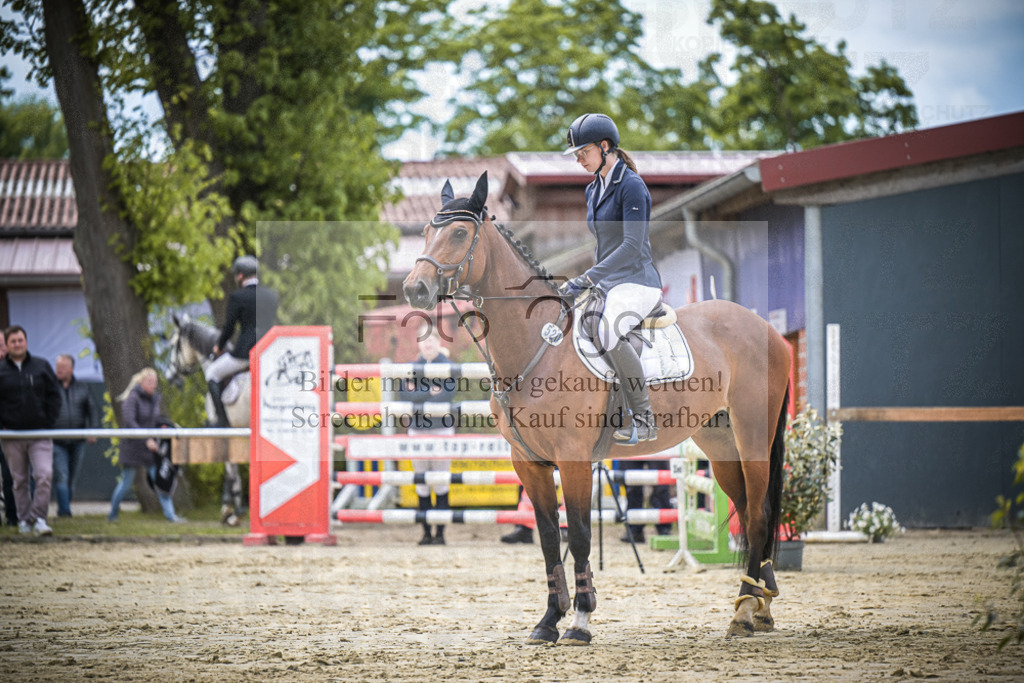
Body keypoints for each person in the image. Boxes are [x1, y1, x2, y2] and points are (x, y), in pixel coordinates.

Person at [559, 113, 663, 444]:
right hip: (609, 283)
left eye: (583, 152)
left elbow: (631, 246)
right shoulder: (593, 189)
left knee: (606, 329)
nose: (579, 160)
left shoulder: (631, 186)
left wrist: (588, 278)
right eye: (576, 155)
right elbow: (602, 246)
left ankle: (644, 418)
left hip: (637, 280)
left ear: (605, 147)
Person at [0, 325, 62, 536]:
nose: (17, 344)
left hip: (40, 434)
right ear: (7, 345)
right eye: (13, 341)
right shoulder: (1, 370)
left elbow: (55, 395)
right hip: (12, 435)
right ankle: (24, 520)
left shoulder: (41, 366)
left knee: (44, 475)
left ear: (26, 342)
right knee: (19, 481)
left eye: (20, 340)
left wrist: (48, 422)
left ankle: (39, 519)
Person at [397, 323, 454, 545]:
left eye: (431, 340)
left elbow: (446, 395)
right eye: (424, 340)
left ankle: (440, 534)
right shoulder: (411, 367)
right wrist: (430, 392)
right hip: (417, 430)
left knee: (441, 482)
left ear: (439, 342)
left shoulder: (448, 366)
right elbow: (404, 396)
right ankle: (426, 533)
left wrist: (419, 393)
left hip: (441, 429)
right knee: (420, 482)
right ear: (418, 343)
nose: (428, 344)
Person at [206, 255, 279, 427]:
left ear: (240, 276)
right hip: (268, 351)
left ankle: (221, 420)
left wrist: (219, 346)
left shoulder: (237, 297)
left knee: (212, 373)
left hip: (245, 353)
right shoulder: (271, 296)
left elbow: (229, 327)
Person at [108, 368, 185, 523]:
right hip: (133, 447)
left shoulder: (154, 399)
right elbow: (130, 422)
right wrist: (146, 440)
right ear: (141, 382)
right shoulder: (132, 398)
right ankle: (112, 514)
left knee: (160, 480)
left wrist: (168, 426)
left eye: (155, 382)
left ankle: (171, 516)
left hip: (150, 449)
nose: (153, 385)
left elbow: (155, 420)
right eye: (150, 381)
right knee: (126, 483)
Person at [51, 354, 100, 517]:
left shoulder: (83, 388)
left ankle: (66, 504)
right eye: (58, 366)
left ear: (72, 369)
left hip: (78, 441)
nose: (60, 370)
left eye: (63, 367)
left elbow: (93, 411)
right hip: (57, 441)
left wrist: (93, 430)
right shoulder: (50, 388)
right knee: (62, 475)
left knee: (71, 478)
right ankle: (64, 511)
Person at [618, 459, 673, 544]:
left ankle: (664, 528)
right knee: (631, 485)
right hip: (630, 452)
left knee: (661, 485)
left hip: (655, 452)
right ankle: (634, 529)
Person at [0, 329, 20, 526]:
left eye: (1, 346)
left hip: (9, 432)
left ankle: (13, 517)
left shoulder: (16, 370)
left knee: (11, 476)